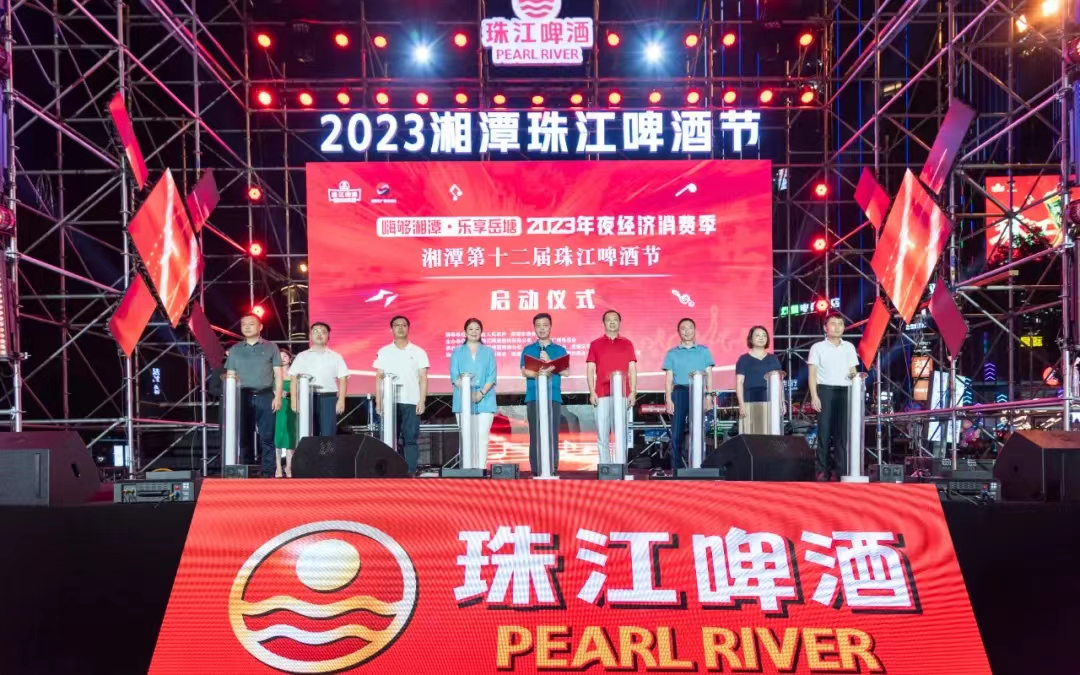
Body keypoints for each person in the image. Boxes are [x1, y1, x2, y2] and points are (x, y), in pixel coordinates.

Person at [224, 313, 283, 476]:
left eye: (251, 323)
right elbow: (230, 375)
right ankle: (246, 471)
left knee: (267, 436)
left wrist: (278, 396)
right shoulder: (235, 349)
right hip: (242, 397)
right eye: (244, 324)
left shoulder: (271, 347)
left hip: (265, 396)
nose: (247, 327)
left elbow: (278, 374)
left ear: (260, 327)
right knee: (244, 436)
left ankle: (268, 472)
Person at [374, 315, 429, 474]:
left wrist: (422, 400)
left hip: (411, 401)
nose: (400, 328)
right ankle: (389, 472)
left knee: (410, 438)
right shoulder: (384, 352)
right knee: (388, 439)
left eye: (404, 325)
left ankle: (410, 472)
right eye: (397, 325)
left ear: (408, 328)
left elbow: (423, 378)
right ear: (391, 329)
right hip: (389, 403)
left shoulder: (418, 352)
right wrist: (379, 401)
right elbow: (379, 377)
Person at [808, 312, 859, 480]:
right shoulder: (817, 347)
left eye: (840, 324)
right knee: (823, 431)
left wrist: (856, 379)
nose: (837, 327)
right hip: (825, 390)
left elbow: (853, 370)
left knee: (842, 433)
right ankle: (822, 471)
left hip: (845, 391)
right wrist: (814, 396)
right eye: (833, 324)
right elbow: (812, 374)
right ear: (825, 328)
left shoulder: (849, 347)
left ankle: (841, 471)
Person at [662, 318, 715, 469]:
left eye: (690, 327)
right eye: (683, 328)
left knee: (698, 430)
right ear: (679, 332)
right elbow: (668, 379)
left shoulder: (704, 351)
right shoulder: (672, 353)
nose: (687, 331)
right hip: (679, 392)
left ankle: (699, 466)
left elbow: (709, 376)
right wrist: (668, 399)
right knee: (676, 432)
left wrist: (709, 395)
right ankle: (676, 468)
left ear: (695, 330)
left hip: (699, 392)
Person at [520, 313, 570, 475]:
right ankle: (536, 470)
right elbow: (524, 371)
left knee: (552, 434)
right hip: (534, 397)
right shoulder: (528, 349)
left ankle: (552, 468)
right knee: (535, 434)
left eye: (545, 325)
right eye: (538, 325)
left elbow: (566, 372)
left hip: (552, 397)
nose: (542, 328)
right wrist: (540, 372)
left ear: (550, 327)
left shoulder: (559, 350)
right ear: (534, 328)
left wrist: (549, 362)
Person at [586, 310, 637, 464]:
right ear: (604, 323)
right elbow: (590, 369)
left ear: (619, 322)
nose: (612, 322)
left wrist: (633, 392)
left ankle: (621, 465)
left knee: (621, 432)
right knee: (602, 433)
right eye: (609, 319)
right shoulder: (595, 344)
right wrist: (592, 391)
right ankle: (605, 467)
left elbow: (632, 369)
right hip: (602, 393)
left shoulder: (627, 344)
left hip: (622, 394)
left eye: (615, 319)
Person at [450, 318, 497, 469]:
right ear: (465, 332)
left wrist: (480, 393)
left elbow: (492, 376)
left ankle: (481, 470)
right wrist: (468, 394)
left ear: (481, 331)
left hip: (485, 400)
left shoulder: (488, 352)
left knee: (482, 438)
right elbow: (455, 377)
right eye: (470, 329)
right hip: (462, 400)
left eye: (477, 329)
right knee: (466, 438)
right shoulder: (457, 352)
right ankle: (466, 470)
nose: (474, 332)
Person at [289, 322, 349, 437]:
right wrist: (294, 400)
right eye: (315, 331)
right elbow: (293, 379)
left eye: (323, 332)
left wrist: (341, 400)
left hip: (328, 398)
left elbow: (343, 379)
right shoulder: (302, 356)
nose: (319, 334)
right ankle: (311, 450)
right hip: (307, 398)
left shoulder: (336, 356)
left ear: (328, 337)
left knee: (328, 433)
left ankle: (328, 450)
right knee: (310, 433)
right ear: (310, 336)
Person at [735, 326, 784, 435]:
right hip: (749, 402)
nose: (761, 338)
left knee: (769, 436)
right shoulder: (743, 359)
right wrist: (741, 404)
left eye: (764, 335)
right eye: (757, 335)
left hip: (770, 402)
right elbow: (739, 383)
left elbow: (779, 383)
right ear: (751, 339)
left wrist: (781, 402)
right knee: (750, 436)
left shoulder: (773, 359)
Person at [274, 350, 298, 477]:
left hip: (291, 406)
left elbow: (299, 390)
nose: (282, 359)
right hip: (277, 407)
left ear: (290, 359)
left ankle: (289, 467)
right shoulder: (273, 373)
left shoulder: (295, 374)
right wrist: (276, 394)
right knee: (277, 436)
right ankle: (278, 467)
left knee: (290, 436)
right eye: (280, 357)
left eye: (285, 356)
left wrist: (289, 394)